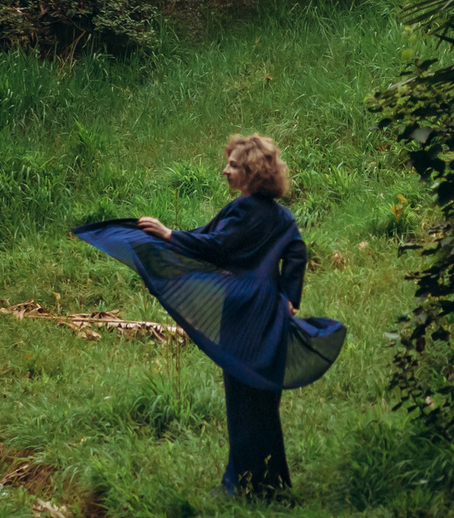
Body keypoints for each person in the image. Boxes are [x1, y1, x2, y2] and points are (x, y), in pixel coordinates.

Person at [74, 133, 346, 495]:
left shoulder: (243, 210)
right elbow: (296, 252)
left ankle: (246, 485)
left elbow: (216, 246)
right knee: (263, 400)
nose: (224, 170)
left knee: (243, 399)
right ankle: (268, 483)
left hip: (244, 311)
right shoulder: (283, 217)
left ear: (251, 172)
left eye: (233, 165)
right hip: (269, 311)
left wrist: (169, 235)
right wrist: (289, 295)